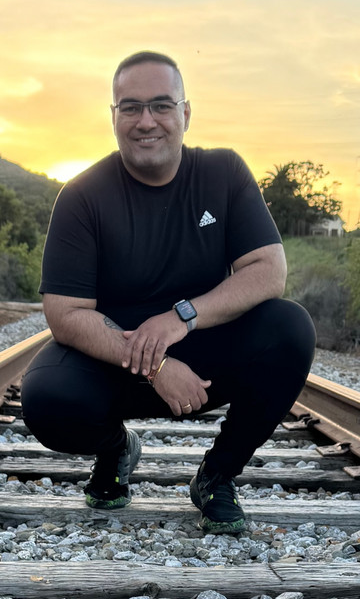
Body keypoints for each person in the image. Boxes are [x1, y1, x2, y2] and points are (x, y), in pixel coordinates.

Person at [20, 50, 316, 535]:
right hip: (112, 360)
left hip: (203, 353)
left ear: (185, 113)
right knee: (46, 398)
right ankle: (117, 449)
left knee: (290, 328)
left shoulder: (223, 173)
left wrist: (181, 317)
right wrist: (154, 364)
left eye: (161, 105)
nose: (146, 121)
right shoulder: (81, 196)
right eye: (131, 107)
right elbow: (65, 313)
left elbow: (268, 271)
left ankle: (217, 475)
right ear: (113, 116)